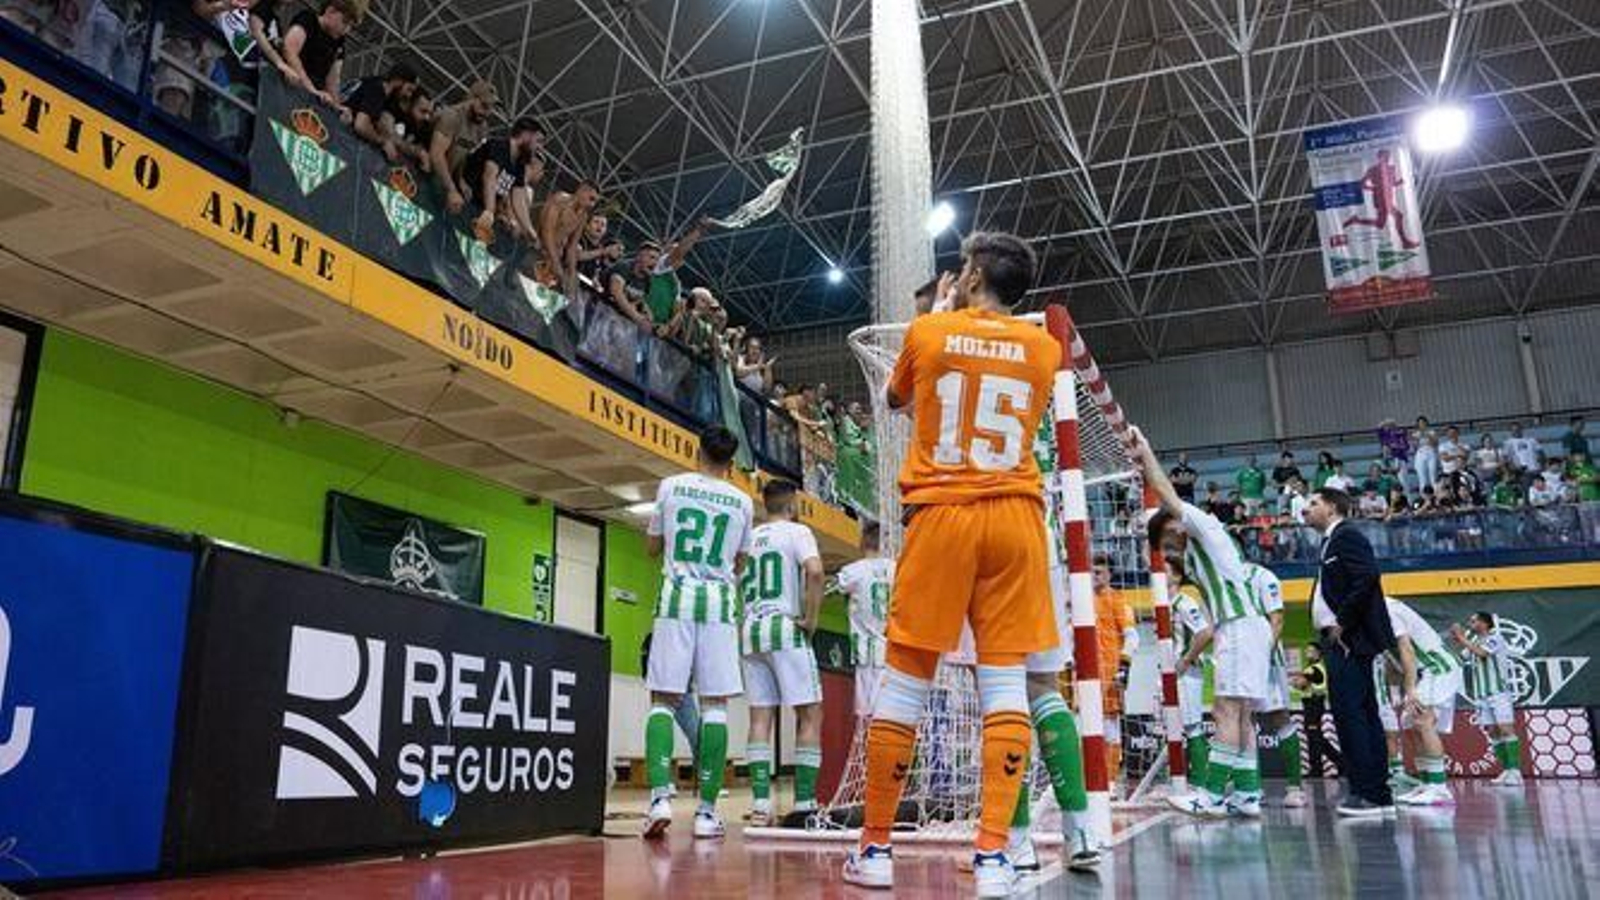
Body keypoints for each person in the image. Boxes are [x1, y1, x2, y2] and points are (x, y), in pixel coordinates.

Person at [841, 232, 1080, 895]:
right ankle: (995, 857)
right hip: (1015, 520)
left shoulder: (929, 333)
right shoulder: (1044, 349)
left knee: (908, 680)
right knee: (1006, 688)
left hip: (943, 515)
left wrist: (938, 314)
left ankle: (876, 850)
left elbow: (896, 402)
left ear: (971, 276)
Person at [1136, 430, 1272, 820]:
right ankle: (1247, 794)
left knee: (1225, 711)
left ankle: (1210, 795)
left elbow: (1168, 495)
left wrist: (1146, 455)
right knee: (1242, 715)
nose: (1166, 549)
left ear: (1176, 527)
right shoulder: (1202, 549)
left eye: (1165, 539)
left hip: (1239, 627)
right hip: (1248, 626)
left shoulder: (1203, 525)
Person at [642, 425, 755, 840]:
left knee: (663, 700)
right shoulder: (742, 501)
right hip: (720, 605)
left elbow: (652, 547)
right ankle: (707, 813)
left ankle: (659, 798)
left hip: (676, 599)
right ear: (732, 462)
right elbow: (741, 561)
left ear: (696, 450)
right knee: (715, 706)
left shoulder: (671, 486)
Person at [1303, 487, 1397, 816]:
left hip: (1349, 639)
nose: (1305, 509)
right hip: (1339, 638)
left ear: (1331, 507)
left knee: (1352, 715)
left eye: (1313, 503)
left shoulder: (1347, 536)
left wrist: (1342, 622)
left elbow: (1368, 576)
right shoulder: (1331, 541)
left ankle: (1368, 793)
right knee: (1360, 714)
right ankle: (1376, 792)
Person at [740, 479, 826, 828]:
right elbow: (816, 572)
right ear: (792, 506)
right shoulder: (796, 532)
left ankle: (761, 804)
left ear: (765, 505)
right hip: (785, 627)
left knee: (760, 719)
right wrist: (811, 619)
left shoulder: (752, 537)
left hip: (750, 631)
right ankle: (804, 803)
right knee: (810, 714)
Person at [1383, 597, 1463, 806]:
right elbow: (1392, 664)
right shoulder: (1371, 616)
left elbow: (1407, 650)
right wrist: (1396, 695)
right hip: (1422, 674)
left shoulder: (1387, 609)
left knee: (1423, 720)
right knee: (1409, 725)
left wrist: (1410, 689)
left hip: (1437, 668)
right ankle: (1426, 783)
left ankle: (1439, 788)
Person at [1245, 561, 1305, 808]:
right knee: (1245, 721)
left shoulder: (1263, 575)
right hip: (1240, 659)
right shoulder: (1225, 581)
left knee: (1279, 717)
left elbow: (1277, 620)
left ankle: (1295, 788)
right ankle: (1251, 787)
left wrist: (1261, 656)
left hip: (1267, 661)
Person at [1450, 612, 1523, 786]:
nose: (1470, 623)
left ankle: (1516, 772)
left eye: (1473, 621)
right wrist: (1456, 642)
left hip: (1498, 693)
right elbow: (1460, 658)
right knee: (1493, 732)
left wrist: (1461, 637)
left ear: (1484, 623)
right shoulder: (1474, 642)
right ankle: (1506, 771)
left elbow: (1482, 653)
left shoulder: (1495, 638)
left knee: (1506, 729)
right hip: (1482, 695)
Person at [836, 520, 892, 728]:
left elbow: (832, 588)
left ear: (862, 542)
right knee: (888, 715)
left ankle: (869, 758)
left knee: (865, 718)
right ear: (884, 543)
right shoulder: (897, 569)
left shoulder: (853, 571)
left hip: (865, 650)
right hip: (892, 651)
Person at [1092, 553, 1138, 790]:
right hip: (1085, 678)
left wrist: (1124, 667)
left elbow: (1132, 636)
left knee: (1110, 730)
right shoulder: (1081, 601)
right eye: (1091, 571)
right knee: (1086, 729)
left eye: (1099, 572)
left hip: (1109, 676)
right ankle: (1090, 782)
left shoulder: (1118, 600)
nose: (1094, 576)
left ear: (1109, 574)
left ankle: (1109, 782)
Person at [1168, 562, 1215, 786]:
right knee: (1173, 726)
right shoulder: (1165, 604)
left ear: (1176, 576)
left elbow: (1205, 632)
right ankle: (1178, 779)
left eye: (1165, 570)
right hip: (1169, 674)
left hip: (1186, 673)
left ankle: (1200, 781)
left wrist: (1186, 659)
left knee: (1192, 726)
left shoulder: (1184, 603)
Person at [463, 117, 544, 245]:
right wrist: (490, 210)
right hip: (465, 200)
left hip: (479, 211)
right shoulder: (499, 146)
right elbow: (489, 176)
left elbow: (518, 198)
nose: (539, 147)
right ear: (526, 135)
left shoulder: (519, 164)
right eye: (538, 141)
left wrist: (529, 229)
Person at [429, 79, 499, 215]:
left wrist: (460, 179)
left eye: (491, 108)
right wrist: (451, 189)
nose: (487, 113)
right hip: (423, 173)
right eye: (484, 106)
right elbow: (436, 154)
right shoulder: (452, 116)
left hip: (442, 181)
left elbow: (463, 153)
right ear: (471, 98)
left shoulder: (481, 128)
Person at [280, 0, 361, 113]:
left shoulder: (339, 43)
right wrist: (311, 89)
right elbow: (289, 50)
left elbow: (333, 79)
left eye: (350, 27)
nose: (346, 30)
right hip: (286, 86)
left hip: (310, 100)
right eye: (345, 22)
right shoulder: (308, 19)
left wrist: (336, 106)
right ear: (330, 11)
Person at [1342, 148, 1419, 249]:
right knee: (1398, 216)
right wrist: (1373, 188)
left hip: (1389, 196)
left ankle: (1356, 220)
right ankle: (1405, 242)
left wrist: (1400, 181)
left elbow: (1393, 183)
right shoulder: (1373, 170)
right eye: (1385, 157)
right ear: (1379, 158)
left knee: (1380, 224)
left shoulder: (1392, 168)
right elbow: (1361, 184)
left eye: (1388, 157)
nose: (1387, 159)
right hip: (1380, 198)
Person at [535, 180, 602, 292]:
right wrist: (556, 262)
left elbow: (572, 246)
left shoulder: (583, 216)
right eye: (591, 199)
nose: (592, 205)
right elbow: (547, 231)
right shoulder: (560, 200)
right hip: (536, 249)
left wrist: (572, 273)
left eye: (595, 201)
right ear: (582, 191)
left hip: (552, 259)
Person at [346, 62, 419, 163]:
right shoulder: (377, 89)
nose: (408, 95)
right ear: (398, 81)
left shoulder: (376, 84)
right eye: (409, 89)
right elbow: (361, 125)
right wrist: (383, 142)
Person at [1290, 643, 1343, 779]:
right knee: (1316, 738)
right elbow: (1302, 685)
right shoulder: (1312, 669)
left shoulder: (1314, 669)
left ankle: (1321, 769)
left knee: (1315, 739)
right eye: (1307, 650)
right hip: (1313, 706)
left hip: (1314, 705)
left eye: (1312, 651)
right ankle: (1339, 765)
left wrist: (1294, 680)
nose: (1308, 653)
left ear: (1319, 654)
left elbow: (1299, 684)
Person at [1502, 422, 1541, 486]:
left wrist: (1541, 466)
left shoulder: (1531, 440)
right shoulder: (1508, 443)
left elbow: (1540, 452)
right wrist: (1514, 468)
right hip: (1523, 472)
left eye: (1518, 429)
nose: (1516, 431)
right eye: (1514, 430)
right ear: (1511, 432)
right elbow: (1505, 458)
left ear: (1521, 429)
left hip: (1535, 470)